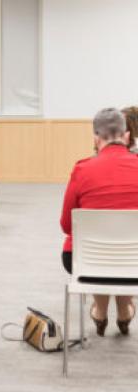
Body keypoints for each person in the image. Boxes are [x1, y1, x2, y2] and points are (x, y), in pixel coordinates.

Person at [60, 107, 138, 336]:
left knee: (97, 250)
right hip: (134, 261)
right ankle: (124, 311)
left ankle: (100, 311)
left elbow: (66, 225)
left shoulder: (81, 169)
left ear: (96, 138)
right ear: (125, 136)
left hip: (87, 262)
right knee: (124, 252)